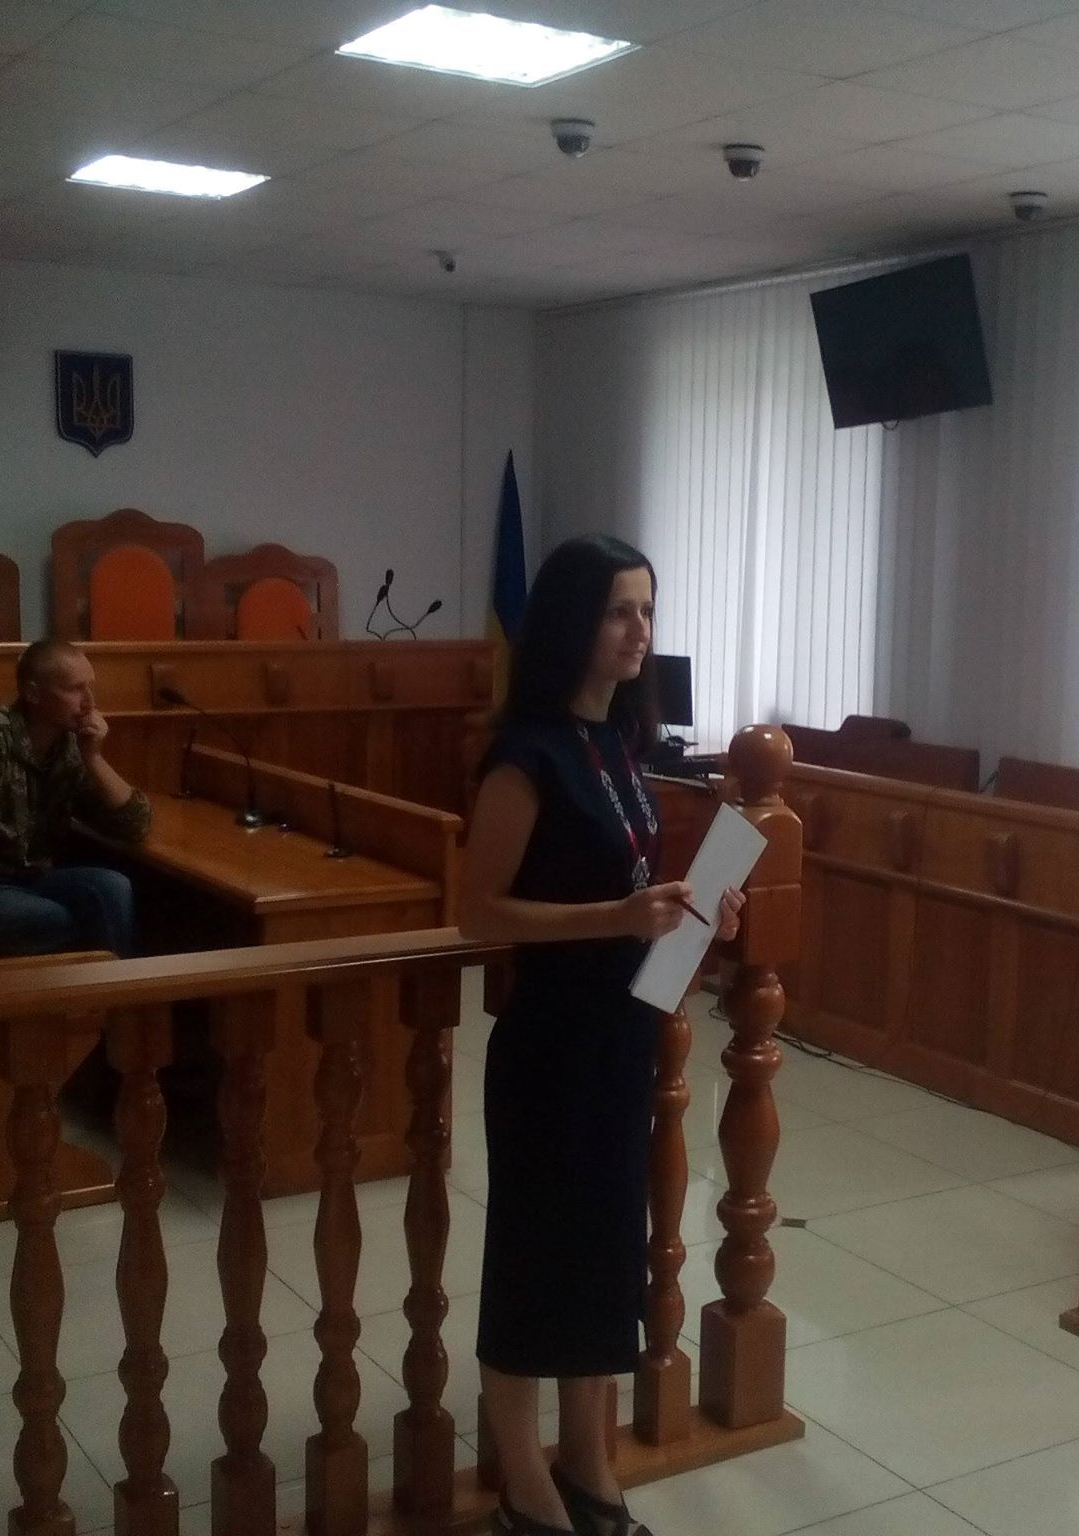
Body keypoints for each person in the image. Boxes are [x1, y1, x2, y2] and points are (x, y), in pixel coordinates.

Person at [458, 534, 744, 1536]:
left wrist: (696, 914)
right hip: (550, 1049)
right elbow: (478, 913)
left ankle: (587, 1466)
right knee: (534, 1263)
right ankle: (522, 1486)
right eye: (621, 611)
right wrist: (616, 918)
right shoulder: (524, 753)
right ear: (573, 622)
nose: (640, 631)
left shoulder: (621, 743)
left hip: (621, 1038)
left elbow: (624, 885)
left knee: (602, 1264)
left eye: (648, 610)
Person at [0, 638, 151, 956]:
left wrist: (93, 758)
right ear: (33, 693)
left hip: (31, 877)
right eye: (75, 689)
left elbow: (134, 823)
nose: (89, 702)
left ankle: (113, 986)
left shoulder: (67, 746)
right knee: (52, 919)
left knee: (113, 887)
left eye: (90, 687)